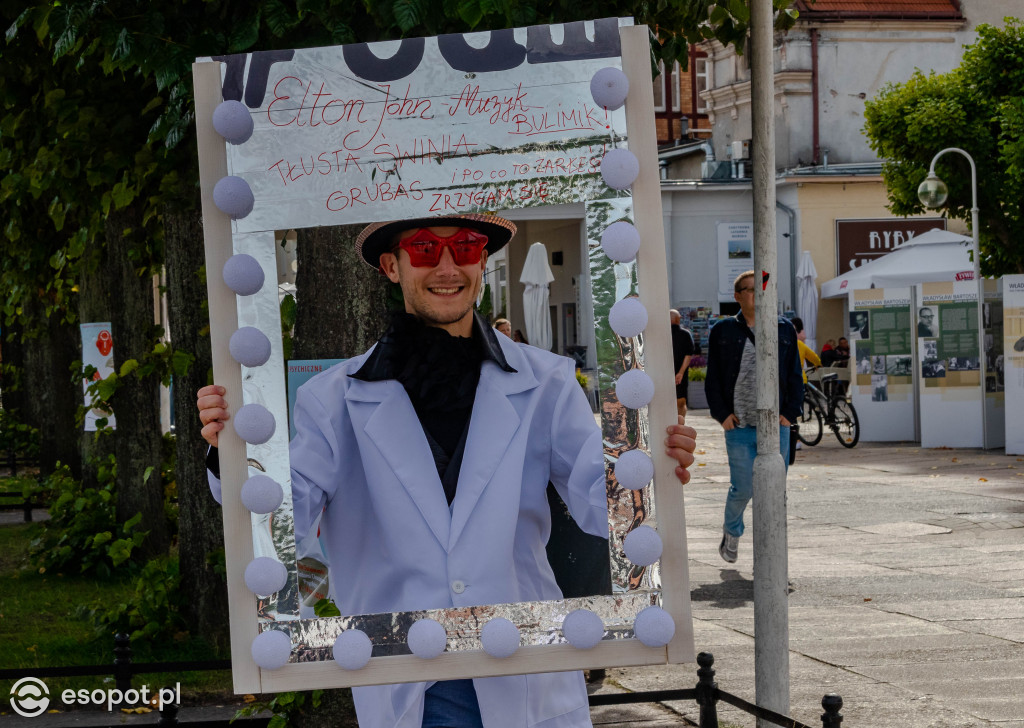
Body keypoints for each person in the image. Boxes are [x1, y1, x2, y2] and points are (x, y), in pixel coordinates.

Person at [198, 213, 698, 728]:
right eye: (423, 249)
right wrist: (231, 452)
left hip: (525, 666)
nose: (446, 266)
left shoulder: (545, 381)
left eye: (463, 247)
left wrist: (649, 470)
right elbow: (285, 519)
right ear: (391, 266)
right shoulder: (332, 400)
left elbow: (603, 507)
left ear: (482, 260)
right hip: (413, 680)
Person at [705, 270, 803, 564]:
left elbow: (795, 376)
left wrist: (788, 414)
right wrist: (722, 415)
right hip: (739, 425)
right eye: (750, 290)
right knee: (744, 487)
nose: (758, 296)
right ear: (737, 296)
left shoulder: (783, 329)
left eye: (762, 290)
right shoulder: (723, 331)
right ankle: (732, 531)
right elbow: (713, 379)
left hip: (776, 427)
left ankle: (773, 555)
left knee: (774, 493)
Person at [669, 309, 696, 421]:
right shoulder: (685, 334)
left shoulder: (661, 335)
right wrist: (680, 372)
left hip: (663, 373)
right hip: (680, 375)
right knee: (681, 402)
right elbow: (688, 355)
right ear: (677, 319)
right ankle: (680, 424)